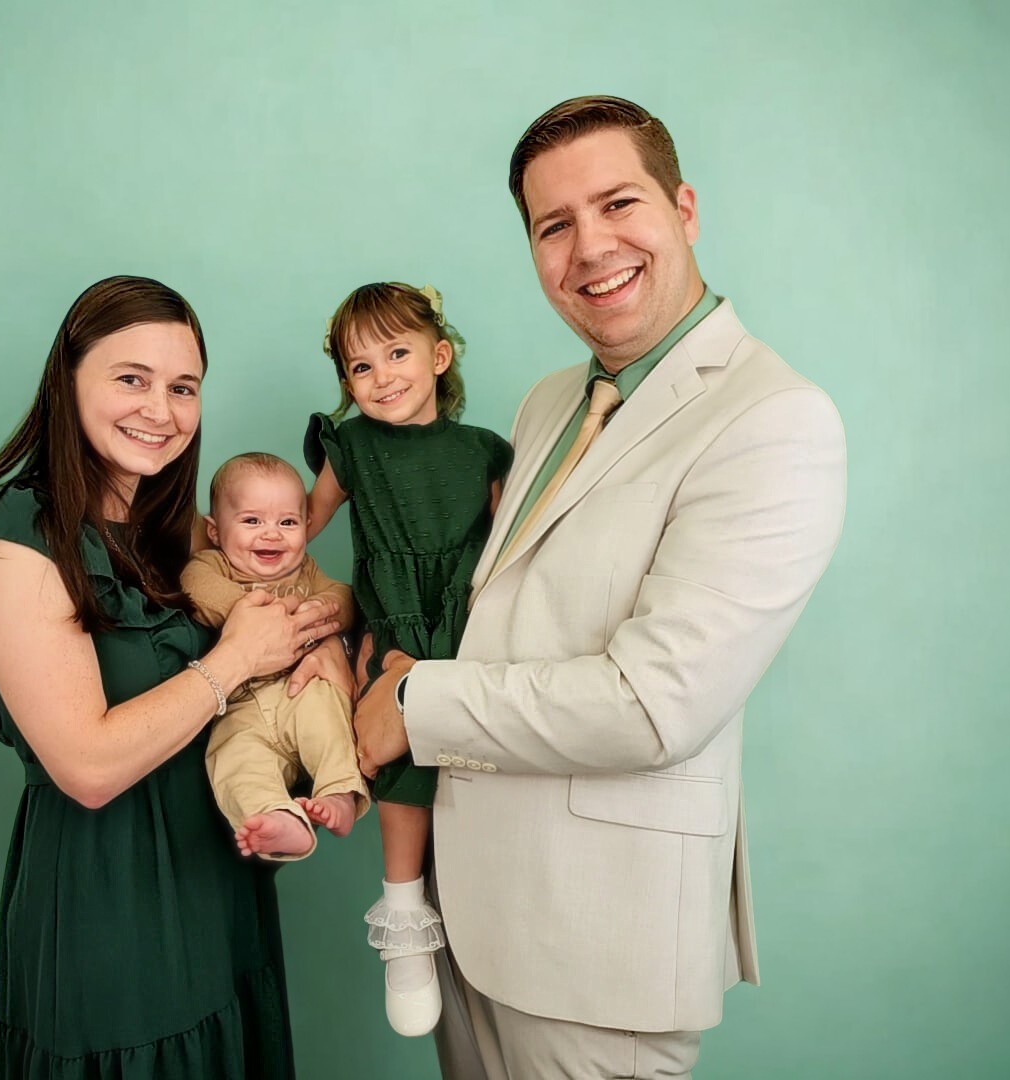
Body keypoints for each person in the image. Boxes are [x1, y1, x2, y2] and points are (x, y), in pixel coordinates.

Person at [352, 97, 848, 1079]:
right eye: (554, 225)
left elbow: (654, 704)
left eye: (619, 203)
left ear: (684, 209)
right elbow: (493, 610)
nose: (590, 248)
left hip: (600, 948)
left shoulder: (775, 418)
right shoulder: (549, 400)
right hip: (470, 916)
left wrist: (413, 703)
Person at [0, 275, 351, 1079]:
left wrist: (325, 629)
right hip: (111, 906)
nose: (161, 410)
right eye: (132, 378)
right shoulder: (5, 535)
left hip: (220, 887)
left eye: (183, 387)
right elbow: (88, 765)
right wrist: (237, 659)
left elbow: (289, 595)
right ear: (68, 378)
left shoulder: (172, 533)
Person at [304, 283, 513, 1037]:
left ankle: (488, 908)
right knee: (397, 755)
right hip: (394, 623)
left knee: (482, 761)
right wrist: (227, 536)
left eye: (398, 353)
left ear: (440, 356)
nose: (383, 376)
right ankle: (403, 914)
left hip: (471, 622)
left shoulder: (484, 450)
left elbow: (519, 552)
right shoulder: (353, 448)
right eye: (361, 367)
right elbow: (298, 523)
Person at [181, 451, 369, 860]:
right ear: (214, 531)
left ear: (306, 525)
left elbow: (343, 596)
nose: (271, 535)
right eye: (252, 521)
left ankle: (340, 792)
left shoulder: (306, 571)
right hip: (241, 705)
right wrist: (260, 617)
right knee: (234, 758)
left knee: (328, 715)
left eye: (288, 522)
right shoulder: (212, 565)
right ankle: (277, 817)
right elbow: (196, 589)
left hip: (300, 688)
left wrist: (326, 609)